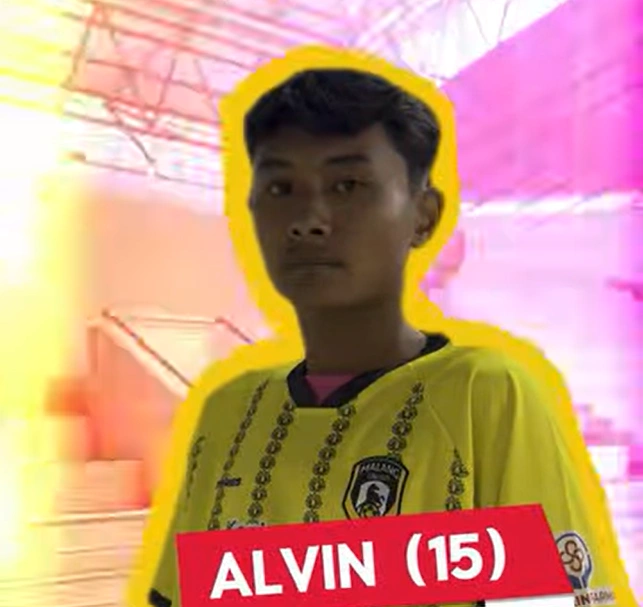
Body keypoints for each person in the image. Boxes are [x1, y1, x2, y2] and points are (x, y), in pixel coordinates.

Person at [146, 65, 633, 607]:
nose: (308, 218)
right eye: (281, 187)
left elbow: (555, 597)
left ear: (423, 217)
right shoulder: (228, 412)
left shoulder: (484, 394)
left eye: (348, 185)